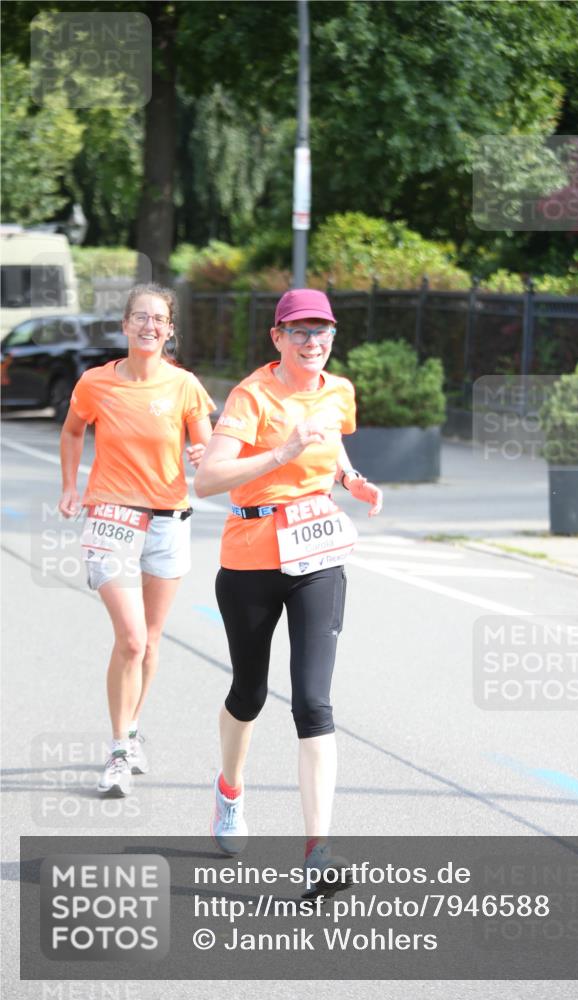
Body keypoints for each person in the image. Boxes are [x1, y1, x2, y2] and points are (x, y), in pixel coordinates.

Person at [194, 288, 382, 894]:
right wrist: (284, 451)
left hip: (317, 555)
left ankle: (317, 853)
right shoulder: (252, 396)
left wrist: (350, 477)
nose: (312, 341)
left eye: (321, 330)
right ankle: (229, 789)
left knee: (313, 701)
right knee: (249, 693)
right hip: (250, 557)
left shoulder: (338, 390)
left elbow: (334, 440)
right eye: (299, 331)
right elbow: (207, 479)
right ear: (277, 337)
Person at [59, 283, 214, 797]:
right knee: (130, 638)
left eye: (159, 319)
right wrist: (69, 486)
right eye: (141, 317)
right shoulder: (96, 383)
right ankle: (120, 749)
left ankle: (132, 727)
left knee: (151, 639)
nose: (150, 326)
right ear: (125, 325)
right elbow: (73, 430)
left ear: (170, 331)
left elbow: (209, 449)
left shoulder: (185, 386)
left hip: (169, 520)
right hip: (111, 516)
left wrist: (203, 455)